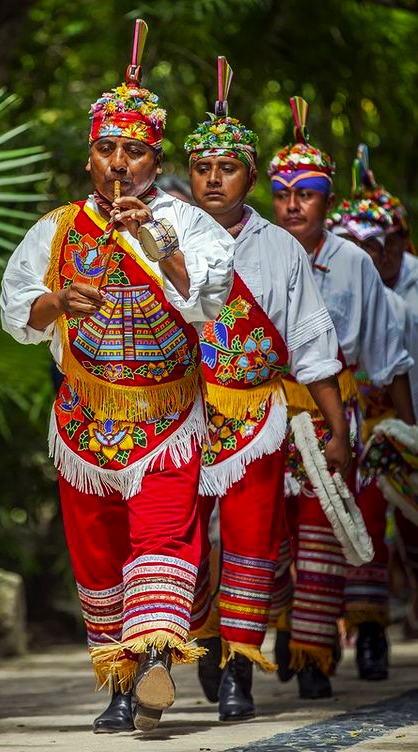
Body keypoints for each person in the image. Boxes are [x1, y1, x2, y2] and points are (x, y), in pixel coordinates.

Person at [0, 20, 235, 734]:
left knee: (161, 539)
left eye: (133, 151)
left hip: (166, 419)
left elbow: (211, 298)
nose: (118, 163)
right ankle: (121, 686)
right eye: (106, 149)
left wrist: (154, 242)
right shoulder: (57, 229)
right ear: (90, 156)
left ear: (153, 160)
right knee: (99, 559)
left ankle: (156, 659)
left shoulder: (186, 225)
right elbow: (15, 311)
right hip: (83, 422)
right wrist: (53, 301)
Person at [183, 59, 349, 722]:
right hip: (181, 417)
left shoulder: (279, 248)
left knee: (253, 540)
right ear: (190, 174)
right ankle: (201, 640)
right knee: (187, 541)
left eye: (227, 167)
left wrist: (336, 431)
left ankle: (239, 672)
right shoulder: (161, 238)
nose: (213, 178)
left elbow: (312, 343)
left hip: (258, 414)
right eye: (202, 167)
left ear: (251, 175)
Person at [268, 98, 414, 698]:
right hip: (267, 408)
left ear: (327, 200)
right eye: (282, 193)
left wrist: (407, 432)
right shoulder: (252, 253)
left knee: (328, 529)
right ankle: (260, 632)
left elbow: (388, 355)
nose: (293, 204)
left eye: (306, 193)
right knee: (266, 532)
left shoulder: (354, 262)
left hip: (338, 409)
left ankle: (312, 655)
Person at [328, 156, 417, 657]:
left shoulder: (398, 304)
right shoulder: (312, 284)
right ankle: (317, 630)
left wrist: (407, 431)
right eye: (352, 248)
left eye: (374, 248)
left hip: (375, 428)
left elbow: (396, 367)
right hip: (324, 420)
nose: (363, 258)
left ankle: (372, 631)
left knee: (370, 521)